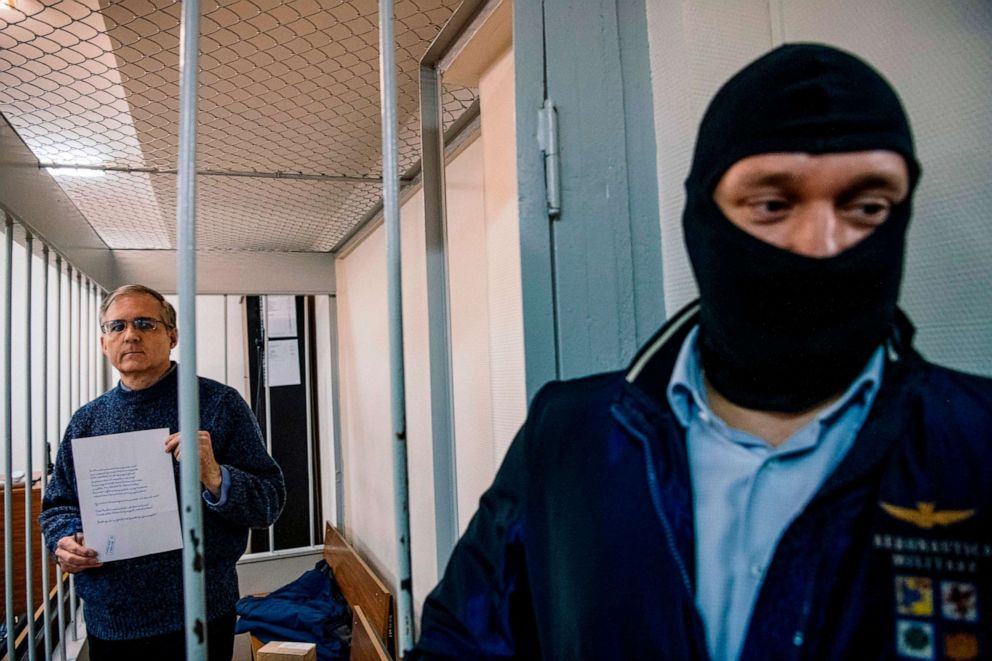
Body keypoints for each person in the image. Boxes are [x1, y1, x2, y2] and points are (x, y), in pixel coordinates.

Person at [411, 44, 992, 660]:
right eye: (772, 204)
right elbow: (462, 643)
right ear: (702, 219)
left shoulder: (978, 445)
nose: (822, 245)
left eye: (866, 206)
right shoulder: (567, 438)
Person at [40, 284, 286, 660]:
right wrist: (64, 543)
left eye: (145, 323)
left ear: (171, 336)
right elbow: (58, 506)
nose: (131, 334)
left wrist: (215, 475)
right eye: (116, 326)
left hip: (199, 613)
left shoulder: (218, 404)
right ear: (104, 342)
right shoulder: (87, 421)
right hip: (113, 618)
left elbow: (269, 503)